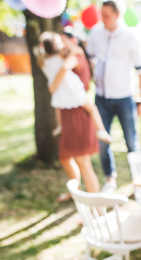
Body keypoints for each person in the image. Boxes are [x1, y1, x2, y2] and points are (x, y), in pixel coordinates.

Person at [86, 0, 141, 193]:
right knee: (102, 140)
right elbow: (88, 58)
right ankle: (110, 178)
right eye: (101, 15)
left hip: (124, 98)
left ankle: (138, 182)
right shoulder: (95, 33)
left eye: (106, 16)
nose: (102, 19)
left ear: (117, 15)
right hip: (101, 98)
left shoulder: (130, 37)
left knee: (132, 142)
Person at [35, 32, 101, 201]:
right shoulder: (52, 60)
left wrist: (53, 85)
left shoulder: (74, 56)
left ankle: (96, 205)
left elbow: (72, 57)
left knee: (83, 163)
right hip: (65, 112)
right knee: (65, 157)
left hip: (77, 112)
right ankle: (76, 192)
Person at [37, 32, 113, 144]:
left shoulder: (44, 62)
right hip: (71, 87)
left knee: (57, 107)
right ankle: (101, 131)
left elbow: (42, 60)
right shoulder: (62, 58)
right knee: (91, 108)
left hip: (59, 91)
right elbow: (76, 53)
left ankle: (60, 126)